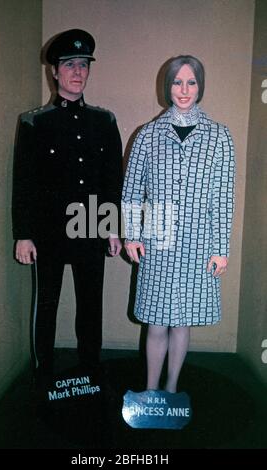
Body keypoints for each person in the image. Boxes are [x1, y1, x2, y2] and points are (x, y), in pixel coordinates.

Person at [12, 29, 123, 381]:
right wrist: (24, 235)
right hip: (48, 231)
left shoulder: (104, 121)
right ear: (54, 72)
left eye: (83, 65)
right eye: (69, 65)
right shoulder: (35, 122)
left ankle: (90, 371)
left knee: (91, 306)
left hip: (91, 226)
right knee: (46, 305)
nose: (78, 71)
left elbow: (111, 181)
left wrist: (112, 228)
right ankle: (44, 375)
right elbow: (24, 182)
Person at [122, 55, 235, 393]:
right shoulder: (148, 135)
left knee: (182, 322)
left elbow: (224, 197)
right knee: (156, 322)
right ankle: (151, 389)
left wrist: (221, 249)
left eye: (191, 82)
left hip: (199, 243)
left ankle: (171, 389)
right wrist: (131, 235)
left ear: (200, 86)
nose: (184, 90)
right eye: (177, 82)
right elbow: (130, 192)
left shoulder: (219, 136)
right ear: (167, 86)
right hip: (157, 240)